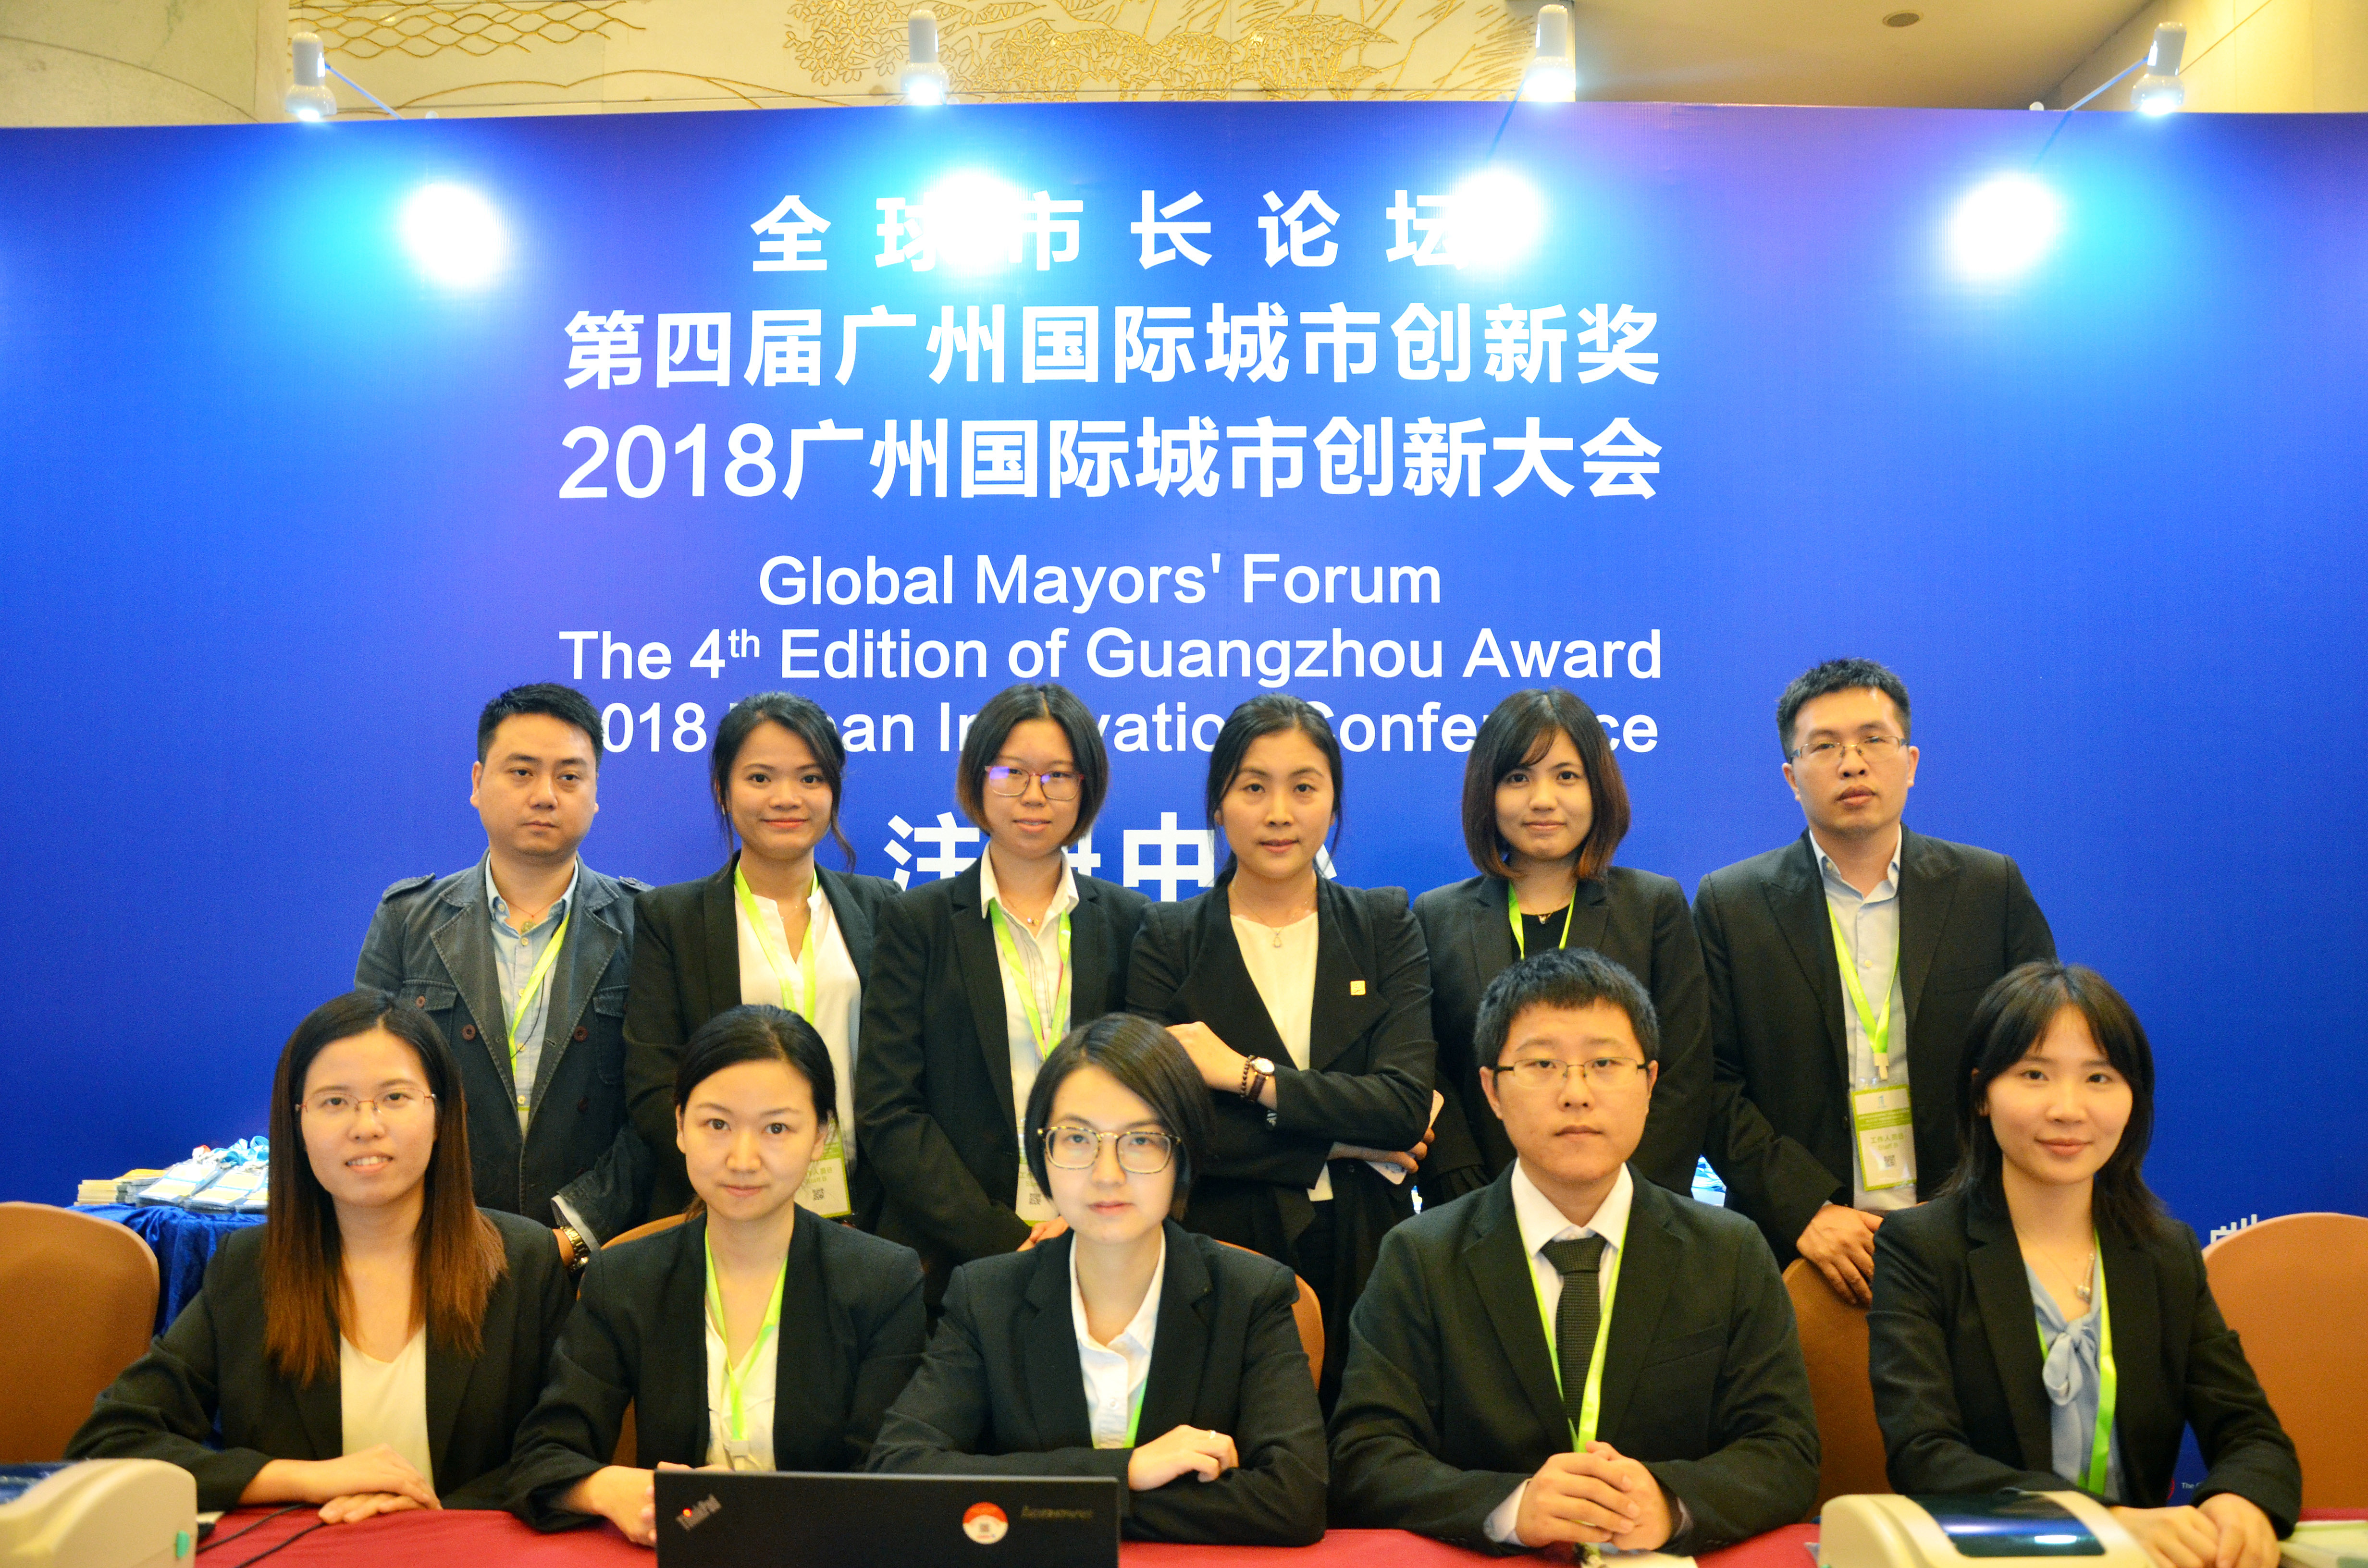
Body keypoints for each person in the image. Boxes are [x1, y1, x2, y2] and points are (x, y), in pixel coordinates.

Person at [1330, 947, 1818, 1555]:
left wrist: (1669, 1502)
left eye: (1604, 1063)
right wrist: (1510, 1507)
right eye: (1541, 1064)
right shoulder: (1419, 1257)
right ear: (1491, 1090)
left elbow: (1784, 1451)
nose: (1575, 1093)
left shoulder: (1729, 1251)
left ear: (1650, 1084)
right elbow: (1364, 1455)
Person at [69, 991, 571, 1519]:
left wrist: (420, 1513)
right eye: (335, 1102)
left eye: (395, 1097)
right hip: (309, 1548)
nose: (366, 1126)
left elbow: (561, 1452)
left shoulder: (525, 1262)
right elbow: (110, 1443)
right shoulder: (248, 1270)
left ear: (442, 1114)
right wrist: (306, 1480)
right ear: (298, 1125)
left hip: (469, 1550)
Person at [1869, 964, 2297, 1568]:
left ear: (2132, 1098)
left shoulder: (2164, 1253)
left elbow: (2250, 1433)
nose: (2067, 1109)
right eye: (2034, 1075)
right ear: (1981, 1094)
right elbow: (1924, 1456)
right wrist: (2106, 1524)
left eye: (2098, 1077)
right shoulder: (1921, 1247)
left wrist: (2240, 1500)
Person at [867, 1015, 1327, 1544]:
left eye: (1141, 1140)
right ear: (1041, 1151)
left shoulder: (1252, 1294)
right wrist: (1125, 1472)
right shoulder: (986, 1296)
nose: (1107, 1174)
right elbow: (901, 1472)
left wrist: (1067, 1500)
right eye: (1077, 1138)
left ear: (1184, 1153)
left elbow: (1294, 1499)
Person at [1695, 657, 2058, 1301]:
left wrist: (1971, 1202)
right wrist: (1805, 1210)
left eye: (1872, 740)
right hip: (1801, 1250)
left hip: (1972, 1236)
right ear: (1791, 777)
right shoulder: (1731, 906)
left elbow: (2040, 1060)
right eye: (1824, 747)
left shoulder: (1989, 890)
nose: (1852, 764)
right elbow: (1709, 1083)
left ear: (1910, 762)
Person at [507, 1004, 927, 1544]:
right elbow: (543, 1454)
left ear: (820, 1135)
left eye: (776, 1128)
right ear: (680, 1125)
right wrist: (610, 1488)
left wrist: (753, 1511)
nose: (742, 1158)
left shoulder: (882, 1282)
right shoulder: (626, 1276)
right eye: (717, 1124)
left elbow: (891, 1478)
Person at [1126, 694, 1438, 1407]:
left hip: (1367, 1241)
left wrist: (1246, 1079)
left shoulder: (1385, 924)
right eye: (1253, 788)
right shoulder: (1167, 940)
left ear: (1332, 803)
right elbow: (1168, 1131)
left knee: (1369, 1444)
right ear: (1218, 803)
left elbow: (1401, 1108)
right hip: (1225, 1247)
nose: (1278, 814)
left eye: (1303, 788)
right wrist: (1339, 1143)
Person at [857, 684, 1150, 1296]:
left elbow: (1149, 1099)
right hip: (951, 1256)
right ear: (977, 779)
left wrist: (1082, 1222)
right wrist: (1000, 1239)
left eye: (1057, 776)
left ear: (1086, 787)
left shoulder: (1130, 923)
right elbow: (890, 1109)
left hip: (1102, 1237)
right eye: (1011, 772)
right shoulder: (917, 922)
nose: (1033, 796)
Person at [357, 683, 649, 1270]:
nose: (545, 795)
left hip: (601, 1261)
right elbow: (369, 1090)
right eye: (521, 772)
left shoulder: (647, 925)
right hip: (435, 1248)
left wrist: (576, 1235)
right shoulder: (407, 919)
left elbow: (660, 1108)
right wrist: (439, 1228)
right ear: (477, 782)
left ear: (595, 792)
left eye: (569, 777)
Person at [1415, 688, 1710, 1206]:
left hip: (1628, 1207)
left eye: (1566, 776)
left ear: (1599, 788)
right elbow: (1430, 1067)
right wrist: (1467, 1194)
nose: (1542, 800)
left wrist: (1624, 1201)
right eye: (1517, 778)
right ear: (1487, 792)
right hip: (1476, 1207)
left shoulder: (1653, 908)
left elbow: (1683, 1078)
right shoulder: (1436, 916)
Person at [624, 693, 900, 1222]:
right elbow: (654, 1083)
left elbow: (904, 1077)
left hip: (866, 1214)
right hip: (726, 1204)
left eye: (810, 778)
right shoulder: (672, 918)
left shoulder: (883, 907)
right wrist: (736, 1178)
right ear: (722, 791)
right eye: (760, 778)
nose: (786, 798)